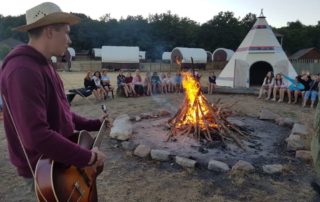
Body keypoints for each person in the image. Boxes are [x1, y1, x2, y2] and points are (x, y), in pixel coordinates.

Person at [0, 2, 107, 195]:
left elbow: (61, 111)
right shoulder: (22, 70)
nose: (69, 40)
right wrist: (88, 157)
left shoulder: (46, 64)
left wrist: (95, 124)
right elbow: (37, 136)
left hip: (60, 162)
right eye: (66, 32)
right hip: (45, 169)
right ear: (50, 31)